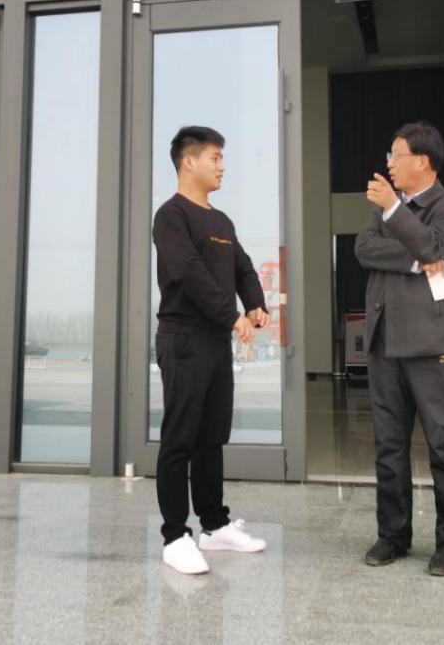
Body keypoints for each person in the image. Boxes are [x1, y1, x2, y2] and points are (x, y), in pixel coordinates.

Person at [355, 122, 444, 576]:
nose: (388, 163)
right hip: (385, 342)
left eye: (396, 155)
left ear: (421, 161)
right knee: (389, 446)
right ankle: (393, 535)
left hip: (433, 344)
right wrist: (414, 261)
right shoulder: (388, 208)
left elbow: (435, 245)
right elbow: (365, 249)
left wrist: (393, 212)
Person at [151, 125, 270, 575]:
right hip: (183, 338)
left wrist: (254, 304)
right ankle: (174, 536)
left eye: (222, 158)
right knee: (180, 437)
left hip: (216, 342)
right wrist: (231, 316)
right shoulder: (171, 216)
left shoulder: (221, 222)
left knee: (212, 437)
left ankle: (214, 526)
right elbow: (189, 272)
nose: (222, 166)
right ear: (189, 162)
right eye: (215, 158)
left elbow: (243, 268)